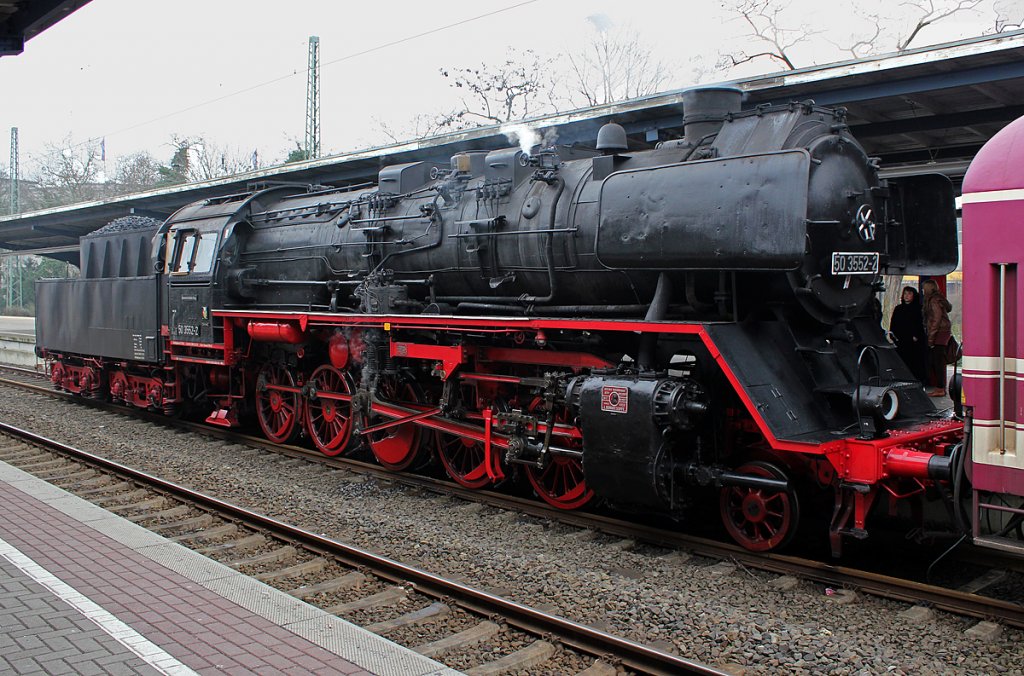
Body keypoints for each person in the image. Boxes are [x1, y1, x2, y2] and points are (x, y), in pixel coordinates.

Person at [889, 286, 927, 383]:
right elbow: (893, 324)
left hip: (914, 342)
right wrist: (893, 336)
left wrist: (916, 336)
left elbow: (921, 324)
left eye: (909, 294)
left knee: (914, 362)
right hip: (900, 340)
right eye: (905, 293)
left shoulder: (918, 309)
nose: (906, 296)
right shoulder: (898, 309)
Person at [922, 279, 953, 397]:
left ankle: (940, 388)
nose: (922, 290)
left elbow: (936, 319)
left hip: (939, 332)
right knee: (937, 360)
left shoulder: (933, 300)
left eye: (924, 288)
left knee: (936, 361)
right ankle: (939, 387)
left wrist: (931, 338)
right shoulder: (939, 298)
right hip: (943, 331)